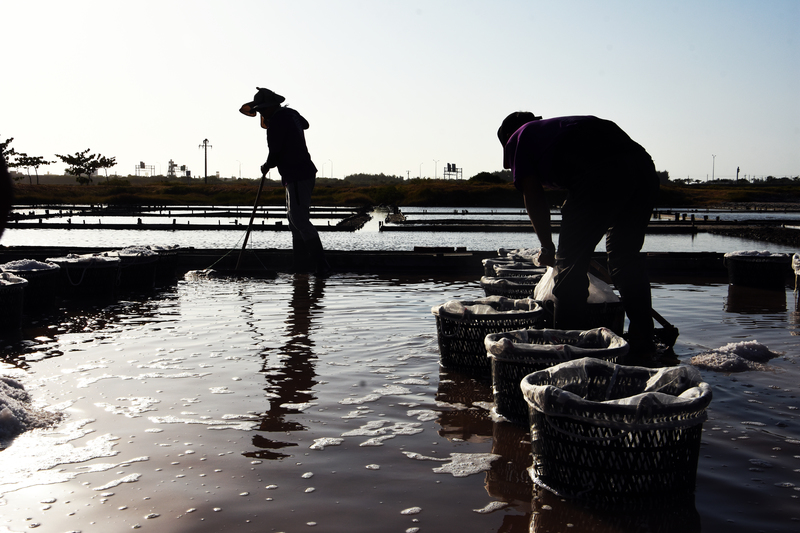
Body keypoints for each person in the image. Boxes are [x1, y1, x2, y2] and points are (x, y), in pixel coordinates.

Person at [497, 112, 660, 356]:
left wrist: (549, 249)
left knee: (569, 270)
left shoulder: (519, 136)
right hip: (644, 170)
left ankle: (568, 353)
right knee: (624, 259)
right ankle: (643, 344)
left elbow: (533, 196)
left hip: (600, 172)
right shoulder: (558, 130)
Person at [240, 87, 330, 276]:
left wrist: (266, 165)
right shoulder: (290, 114)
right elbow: (305, 124)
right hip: (295, 174)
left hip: (297, 173)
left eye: (263, 109)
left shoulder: (278, 121)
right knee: (293, 221)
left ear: (272, 106)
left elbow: (275, 151)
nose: (261, 113)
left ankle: (321, 265)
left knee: (299, 220)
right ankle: (300, 266)